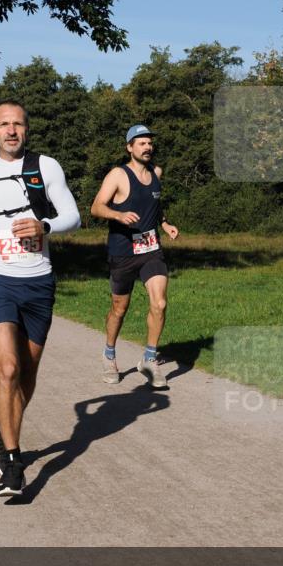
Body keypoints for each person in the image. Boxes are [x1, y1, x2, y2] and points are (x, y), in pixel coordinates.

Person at [0, 100, 81, 498]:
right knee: (7, 368)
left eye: (18, 124)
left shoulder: (45, 167)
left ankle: (4, 425)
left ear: (26, 129)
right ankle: (11, 460)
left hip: (38, 283)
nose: (11, 131)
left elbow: (73, 215)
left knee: (26, 374)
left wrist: (44, 225)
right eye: (4, 124)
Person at [90, 124, 179, 389]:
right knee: (119, 309)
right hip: (122, 252)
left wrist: (165, 224)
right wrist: (118, 215)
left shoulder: (156, 173)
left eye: (149, 143)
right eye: (141, 143)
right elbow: (96, 207)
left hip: (151, 249)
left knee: (159, 302)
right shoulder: (118, 175)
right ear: (130, 147)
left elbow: (155, 204)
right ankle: (109, 354)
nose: (147, 147)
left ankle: (149, 360)